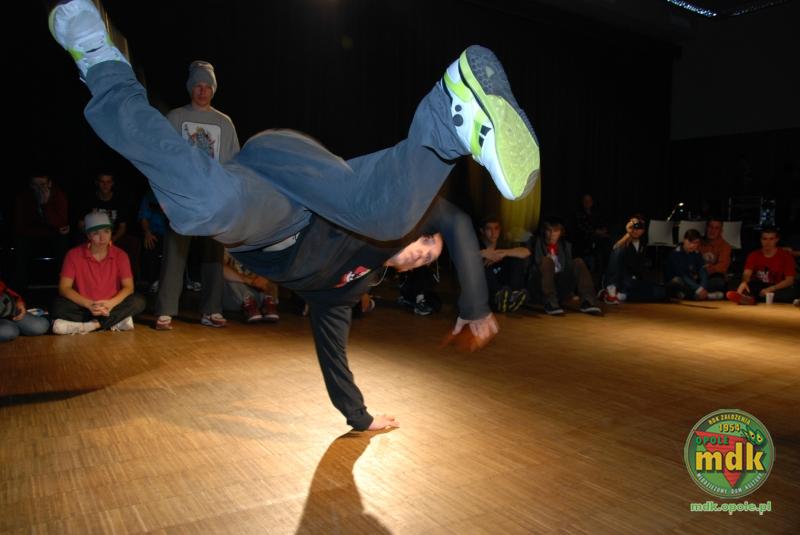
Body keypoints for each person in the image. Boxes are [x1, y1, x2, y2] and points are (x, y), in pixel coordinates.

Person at [49, 0, 540, 429]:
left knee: (204, 207)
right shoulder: (386, 216)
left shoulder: (342, 293)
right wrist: (475, 305)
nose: (419, 250)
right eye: (426, 240)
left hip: (268, 215)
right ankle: (449, 114)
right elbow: (454, 222)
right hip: (302, 172)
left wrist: (360, 418)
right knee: (383, 216)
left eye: (423, 258)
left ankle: (101, 64)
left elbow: (333, 355)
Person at [154, 59, 241, 330]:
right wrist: (165, 196)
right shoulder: (176, 118)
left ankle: (211, 309)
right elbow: (162, 158)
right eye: (197, 86)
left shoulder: (224, 123)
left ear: (213, 90)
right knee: (175, 253)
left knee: (213, 256)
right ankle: (165, 310)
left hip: (213, 201)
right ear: (190, 88)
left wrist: (230, 199)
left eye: (207, 86)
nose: (202, 91)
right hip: (182, 199)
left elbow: (234, 164)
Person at [51, 212, 146, 334]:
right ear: (88, 235)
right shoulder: (73, 255)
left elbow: (129, 287)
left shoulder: (120, 255)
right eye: (96, 233)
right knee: (57, 306)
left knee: (139, 301)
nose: (102, 238)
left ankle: (93, 325)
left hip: (112, 305)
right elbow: (64, 288)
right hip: (85, 305)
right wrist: (89, 304)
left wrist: (111, 303)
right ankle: (115, 321)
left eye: (106, 231)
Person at [530, 219, 602, 315]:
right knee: (547, 261)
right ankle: (550, 303)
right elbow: (533, 267)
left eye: (555, 231)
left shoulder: (564, 246)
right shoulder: (536, 242)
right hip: (541, 287)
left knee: (578, 262)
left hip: (559, 287)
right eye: (549, 230)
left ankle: (588, 302)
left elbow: (566, 270)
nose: (552, 234)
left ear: (560, 232)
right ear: (544, 231)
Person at [12, 174, 70, 290]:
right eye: (35, 185)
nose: (39, 188)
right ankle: (19, 289)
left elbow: (61, 222)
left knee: (63, 241)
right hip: (31, 235)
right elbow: (20, 226)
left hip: (53, 235)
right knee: (19, 243)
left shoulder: (58, 195)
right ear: (30, 185)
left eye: (42, 184)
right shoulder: (23, 197)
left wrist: (45, 205)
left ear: (49, 184)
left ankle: (65, 285)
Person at [599, 214, 666, 303]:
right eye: (633, 225)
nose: (635, 229)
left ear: (643, 230)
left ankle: (621, 295)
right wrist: (628, 234)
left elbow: (639, 266)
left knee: (660, 292)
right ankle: (611, 290)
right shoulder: (621, 237)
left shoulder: (643, 243)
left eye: (639, 226)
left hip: (631, 280)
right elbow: (615, 251)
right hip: (618, 278)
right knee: (620, 250)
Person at [726, 227, 796, 305]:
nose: (767, 242)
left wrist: (771, 289)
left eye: (771, 239)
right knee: (737, 283)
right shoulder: (754, 255)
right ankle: (748, 297)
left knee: (790, 292)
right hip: (758, 286)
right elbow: (747, 274)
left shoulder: (785, 256)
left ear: (777, 240)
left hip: (777, 287)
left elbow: (789, 280)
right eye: (764, 239)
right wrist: (744, 282)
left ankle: (752, 297)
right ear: (761, 240)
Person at [478, 216, 531, 312]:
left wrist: (503, 253)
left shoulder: (503, 244)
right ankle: (499, 297)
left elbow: (526, 252)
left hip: (504, 285)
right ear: (482, 231)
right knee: (481, 265)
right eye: (489, 229)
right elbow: (463, 256)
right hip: (487, 287)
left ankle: (513, 296)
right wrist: (482, 254)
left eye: (496, 228)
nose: (493, 233)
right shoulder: (476, 244)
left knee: (517, 260)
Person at [222, 250, 280, 323]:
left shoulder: (260, 248)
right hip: (235, 298)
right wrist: (249, 281)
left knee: (273, 270)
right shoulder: (226, 249)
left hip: (258, 299)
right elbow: (221, 269)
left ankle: (269, 301)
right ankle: (248, 301)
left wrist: (265, 277)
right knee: (231, 278)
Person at [664, 229, 721, 300]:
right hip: (681, 282)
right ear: (684, 240)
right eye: (690, 242)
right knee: (677, 282)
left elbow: (702, 271)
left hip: (693, 282)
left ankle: (699, 294)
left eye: (696, 243)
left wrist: (702, 287)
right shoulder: (675, 254)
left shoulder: (696, 253)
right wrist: (699, 289)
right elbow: (682, 276)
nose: (693, 245)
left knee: (718, 282)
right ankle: (704, 295)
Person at [138, 187, 167, 293]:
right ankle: (154, 281)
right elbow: (144, 218)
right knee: (150, 244)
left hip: (173, 233)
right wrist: (147, 232)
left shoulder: (174, 192)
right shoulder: (150, 195)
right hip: (155, 232)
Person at [699, 217, 731, 293]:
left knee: (718, 282)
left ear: (721, 231)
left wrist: (708, 269)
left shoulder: (725, 246)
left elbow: (722, 267)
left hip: (713, 277)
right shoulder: (698, 242)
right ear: (706, 228)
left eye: (716, 228)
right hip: (697, 276)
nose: (712, 231)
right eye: (710, 227)